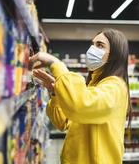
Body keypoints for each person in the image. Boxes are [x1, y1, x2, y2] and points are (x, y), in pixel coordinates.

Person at [30, 28, 131, 164]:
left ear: (114, 55)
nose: (92, 49)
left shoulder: (115, 87)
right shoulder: (94, 85)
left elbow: (80, 106)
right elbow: (64, 122)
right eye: (93, 44)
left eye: (100, 45)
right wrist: (55, 92)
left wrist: (57, 65)